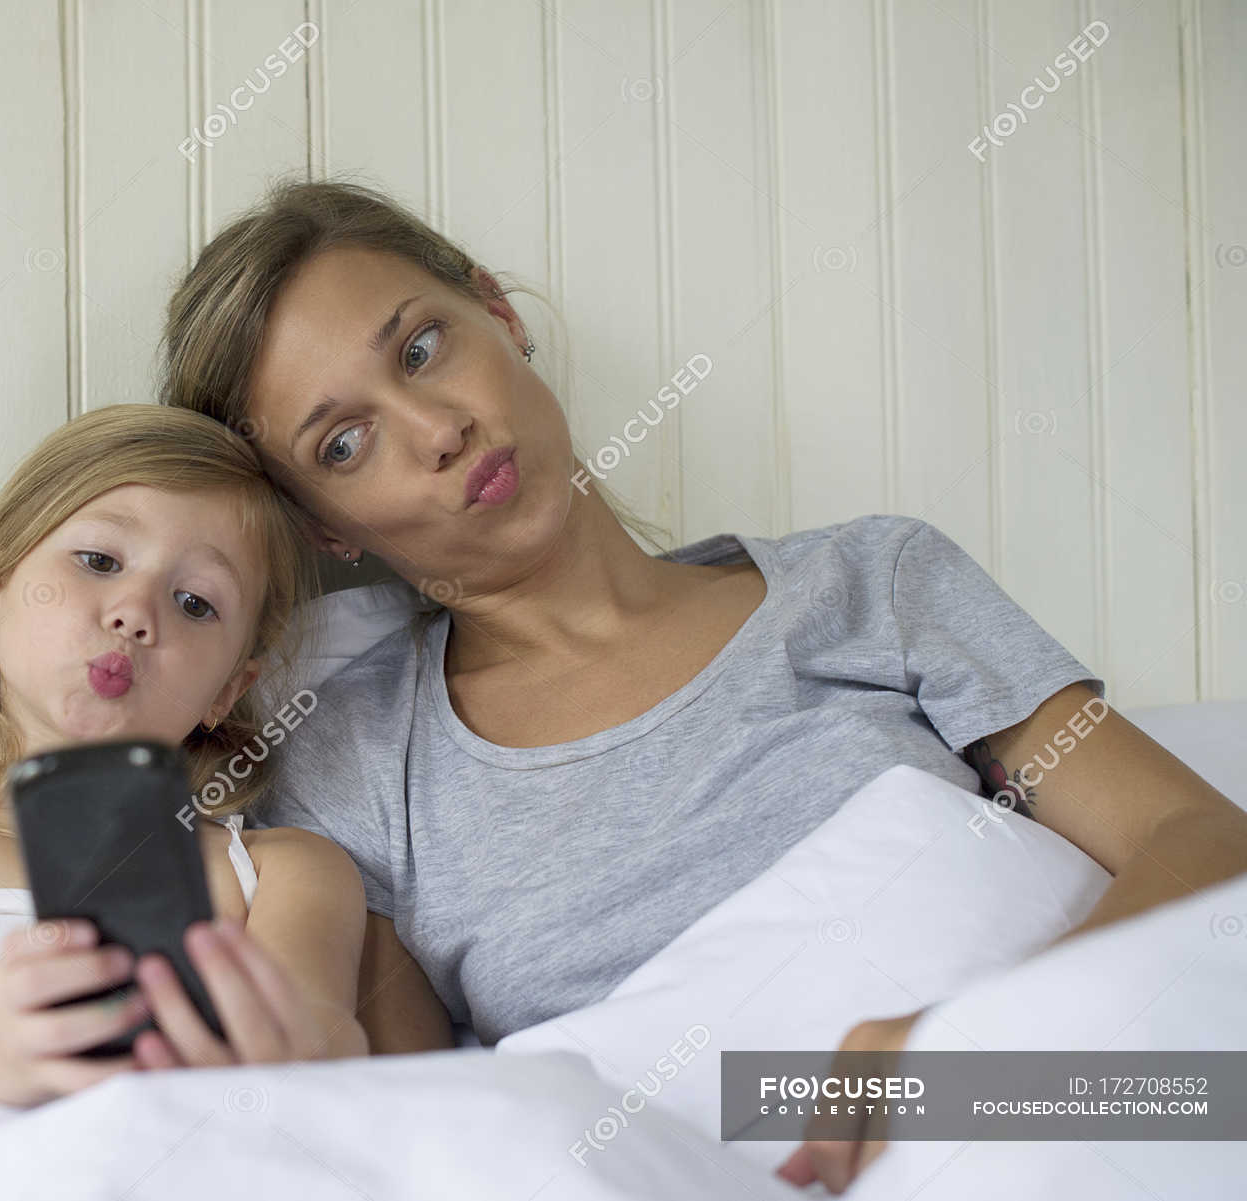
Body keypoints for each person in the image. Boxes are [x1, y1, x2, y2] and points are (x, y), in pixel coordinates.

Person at [160, 178, 1247, 1192]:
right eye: (345, 443)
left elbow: (1201, 837)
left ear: (497, 309)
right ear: (321, 527)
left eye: (424, 346)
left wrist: (969, 1052)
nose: (439, 432)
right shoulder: (354, 765)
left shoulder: (870, 584)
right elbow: (414, 1127)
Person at [0, 404, 369, 1110]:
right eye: (99, 561)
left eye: (194, 602)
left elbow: (332, 1046)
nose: (135, 612)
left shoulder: (291, 871)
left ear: (228, 689)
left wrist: (276, 1050)